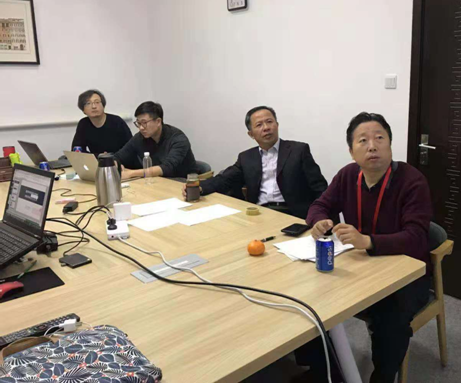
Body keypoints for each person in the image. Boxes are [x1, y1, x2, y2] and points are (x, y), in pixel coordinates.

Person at [303, 112, 433, 383]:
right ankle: (328, 373)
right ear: (352, 152)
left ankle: (382, 378)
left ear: (390, 145)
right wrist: (318, 221)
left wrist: (368, 241)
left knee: (389, 320)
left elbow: (417, 238)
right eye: (363, 140)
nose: (372, 146)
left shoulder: (412, 181)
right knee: (311, 300)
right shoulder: (348, 175)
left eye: (379, 138)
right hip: (360, 267)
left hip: (405, 274)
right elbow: (319, 205)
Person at [182, 106, 327, 219]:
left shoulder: (298, 150)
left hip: (293, 214)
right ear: (251, 134)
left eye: (269, 122)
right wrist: (199, 187)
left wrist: (320, 216)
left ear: (277, 125)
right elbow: (225, 179)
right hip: (259, 213)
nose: (266, 128)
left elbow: (319, 187)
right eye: (259, 125)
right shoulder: (246, 157)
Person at [114, 101, 197, 180]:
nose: (141, 128)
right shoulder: (140, 137)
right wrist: (116, 164)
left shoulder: (178, 138)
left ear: (158, 121)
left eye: (144, 123)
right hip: (158, 180)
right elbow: (118, 156)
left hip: (184, 182)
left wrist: (131, 173)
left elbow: (166, 168)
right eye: (138, 123)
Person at [71, 89, 133, 155]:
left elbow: (131, 147)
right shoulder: (83, 124)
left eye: (97, 102)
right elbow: (77, 150)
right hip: (97, 160)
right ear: (83, 110)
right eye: (88, 103)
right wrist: (98, 156)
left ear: (103, 106)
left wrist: (112, 157)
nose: (94, 106)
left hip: (119, 159)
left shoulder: (117, 122)